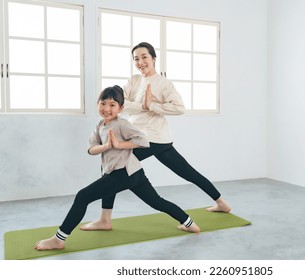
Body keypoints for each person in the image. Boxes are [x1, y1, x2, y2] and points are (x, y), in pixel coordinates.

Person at [81, 42, 231, 232]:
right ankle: (221, 202)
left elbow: (179, 108)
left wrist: (152, 105)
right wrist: (143, 106)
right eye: (136, 58)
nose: (140, 62)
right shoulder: (134, 80)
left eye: (144, 57)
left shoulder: (163, 83)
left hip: (153, 138)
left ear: (153, 58)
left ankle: (105, 218)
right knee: (187, 172)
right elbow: (120, 103)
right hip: (151, 138)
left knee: (112, 165)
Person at [35, 86, 200, 251]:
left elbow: (143, 140)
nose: (107, 108)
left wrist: (119, 144)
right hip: (134, 172)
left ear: (121, 108)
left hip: (124, 173)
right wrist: (106, 146)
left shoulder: (122, 124)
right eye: (103, 103)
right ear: (98, 104)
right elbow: (91, 149)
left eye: (112, 105)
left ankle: (58, 239)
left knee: (82, 196)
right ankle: (190, 224)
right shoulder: (100, 125)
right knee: (157, 202)